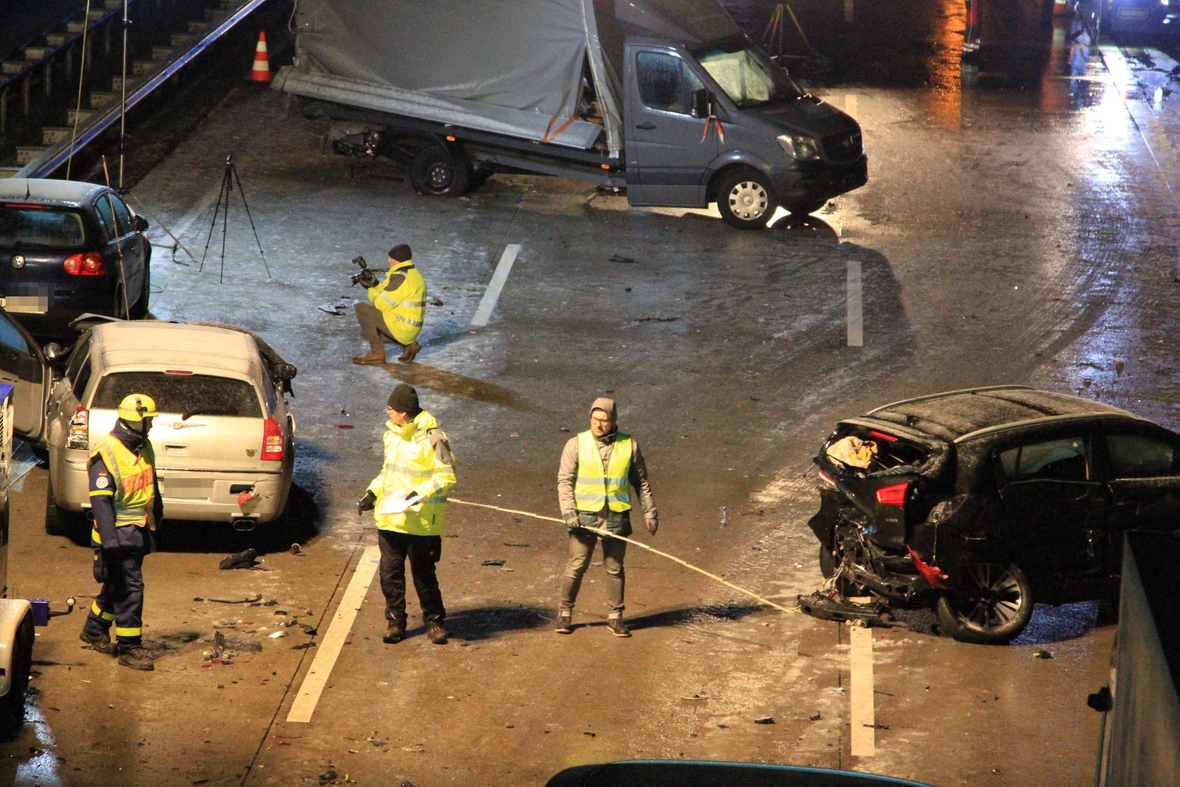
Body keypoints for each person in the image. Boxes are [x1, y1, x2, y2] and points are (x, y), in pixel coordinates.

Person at [358, 384, 456, 644]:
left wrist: (417, 495)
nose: (388, 412)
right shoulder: (391, 435)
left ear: (404, 412)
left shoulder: (433, 437)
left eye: (392, 409)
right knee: (390, 574)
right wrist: (372, 492)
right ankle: (395, 623)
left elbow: (446, 475)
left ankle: (434, 622)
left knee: (424, 576)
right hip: (391, 518)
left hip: (421, 521)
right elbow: (388, 471)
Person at [555, 397, 657, 637]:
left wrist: (650, 511)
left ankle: (616, 617)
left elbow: (641, 482)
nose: (598, 425)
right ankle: (564, 613)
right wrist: (569, 512)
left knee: (614, 567)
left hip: (616, 516)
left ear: (613, 421)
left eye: (604, 420)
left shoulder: (628, 445)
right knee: (577, 564)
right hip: (584, 516)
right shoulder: (576, 444)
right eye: (594, 419)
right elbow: (564, 481)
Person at [78, 394, 163, 671]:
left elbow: (150, 483)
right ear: (135, 421)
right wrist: (110, 545)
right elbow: (100, 503)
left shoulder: (142, 445)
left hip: (137, 531)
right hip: (117, 536)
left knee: (116, 584)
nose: (151, 424)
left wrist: (157, 513)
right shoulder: (107, 453)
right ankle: (130, 648)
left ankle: (93, 629)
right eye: (148, 419)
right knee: (129, 589)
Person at [352, 244, 427, 365]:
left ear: (397, 259)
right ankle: (409, 345)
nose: (388, 260)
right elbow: (389, 293)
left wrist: (369, 288)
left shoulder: (400, 278)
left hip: (403, 328)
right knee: (366, 332)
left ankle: (377, 353)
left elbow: (381, 305)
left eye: (390, 258)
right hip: (410, 328)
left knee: (362, 309)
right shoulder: (411, 273)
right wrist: (375, 283)